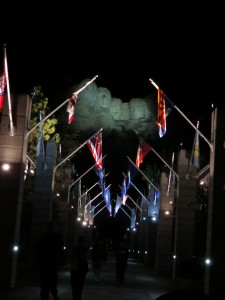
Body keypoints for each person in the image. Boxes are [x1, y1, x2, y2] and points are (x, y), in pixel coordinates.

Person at [36, 221, 64, 300]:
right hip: (52, 261)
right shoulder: (57, 237)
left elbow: (38, 249)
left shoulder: (43, 237)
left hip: (45, 261)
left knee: (44, 279)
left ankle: (45, 295)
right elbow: (61, 249)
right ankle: (53, 293)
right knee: (52, 279)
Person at [70, 235, 89, 300]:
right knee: (79, 285)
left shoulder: (75, 248)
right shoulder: (84, 249)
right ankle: (77, 296)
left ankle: (75, 296)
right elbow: (85, 258)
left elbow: (73, 257)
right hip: (81, 268)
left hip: (75, 268)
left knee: (74, 284)